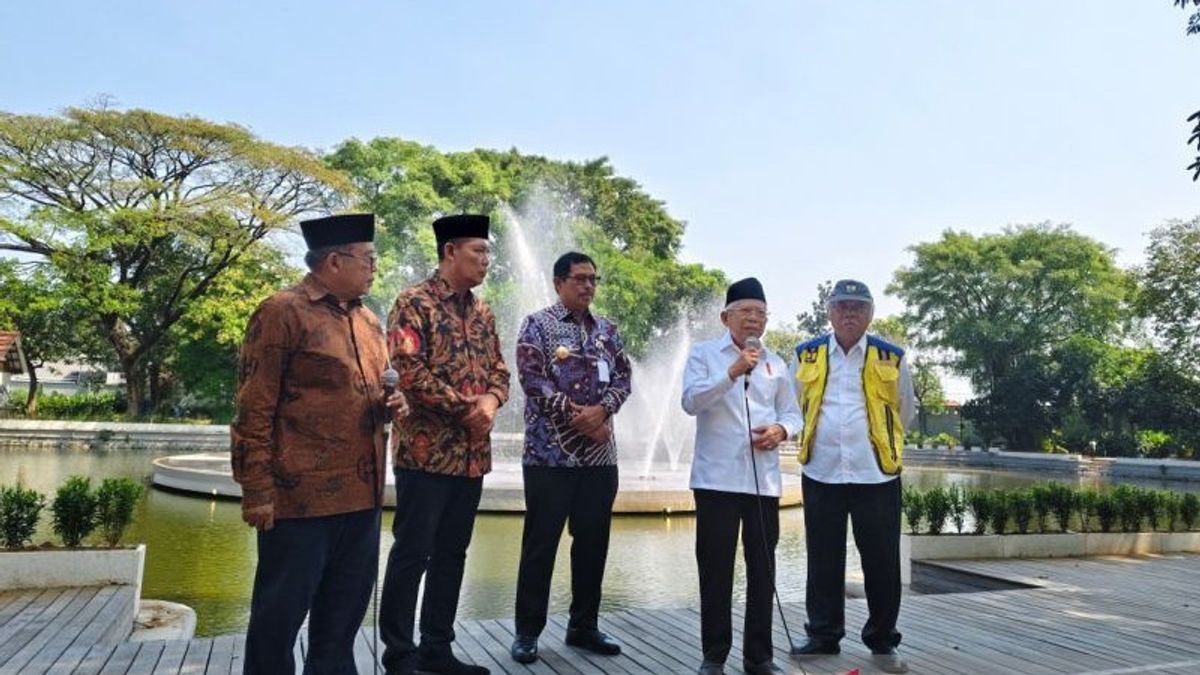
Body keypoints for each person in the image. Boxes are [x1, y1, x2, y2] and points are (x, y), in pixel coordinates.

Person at [231, 213, 409, 675]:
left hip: (361, 499)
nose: (374, 268)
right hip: (298, 501)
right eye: (368, 259)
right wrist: (257, 491)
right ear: (334, 261)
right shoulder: (281, 312)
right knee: (278, 621)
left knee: (341, 625)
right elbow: (254, 407)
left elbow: (369, 394)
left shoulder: (370, 321)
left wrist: (394, 403)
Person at [378, 214, 511, 675]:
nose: (487, 261)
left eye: (489, 253)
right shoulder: (412, 303)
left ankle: (437, 647)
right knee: (413, 553)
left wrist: (492, 401)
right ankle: (398, 653)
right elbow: (409, 370)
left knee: (453, 554)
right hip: (424, 452)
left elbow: (500, 370)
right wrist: (467, 409)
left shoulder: (484, 311)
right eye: (479, 251)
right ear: (450, 251)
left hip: (472, 458)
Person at [509, 251, 632, 665]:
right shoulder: (537, 325)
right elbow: (532, 379)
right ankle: (527, 632)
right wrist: (578, 417)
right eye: (580, 279)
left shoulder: (607, 331)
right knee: (540, 545)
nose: (588, 287)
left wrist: (603, 411)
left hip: (600, 458)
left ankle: (584, 626)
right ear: (559, 282)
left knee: (593, 542)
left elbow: (623, 377)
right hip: (549, 456)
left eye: (593, 279)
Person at [790, 279, 915, 674]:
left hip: (875, 472)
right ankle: (824, 636)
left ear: (870, 314)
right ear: (829, 312)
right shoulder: (806, 355)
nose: (848, 313)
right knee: (823, 558)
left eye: (857, 307)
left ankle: (882, 639)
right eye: (841, 306)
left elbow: (904, 410)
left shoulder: (891, 356)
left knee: (882, 562)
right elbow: (794, 409)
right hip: (821, 470)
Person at [681, 277, 802, 675]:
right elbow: (690, 402)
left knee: (762, 570)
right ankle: (714, 655)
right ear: (725, 317)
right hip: (716, 481)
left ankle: (759, 657)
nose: (754, 320)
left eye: (761, 314)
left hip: (763, 483)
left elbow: (792, 414)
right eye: (746, 312)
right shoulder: (704, 355)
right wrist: (732, 372)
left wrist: (781, 432)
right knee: (715, 570)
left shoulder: (776, 363)